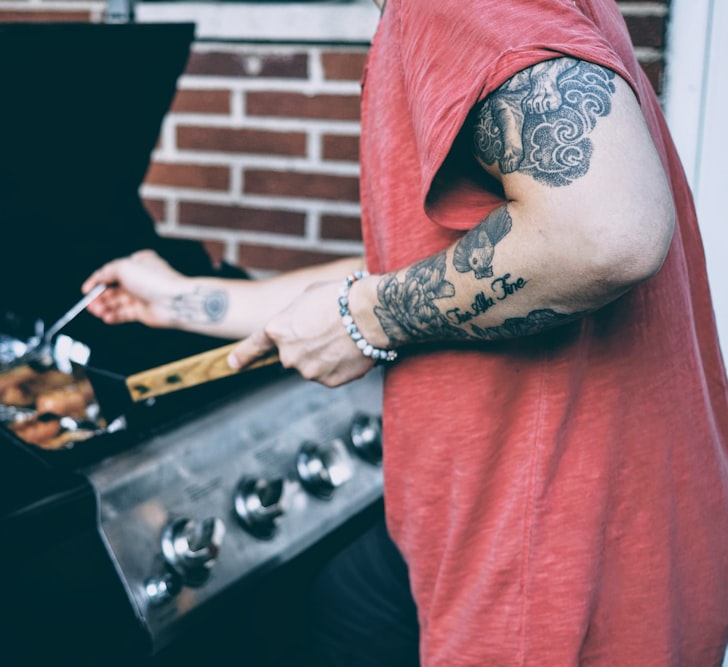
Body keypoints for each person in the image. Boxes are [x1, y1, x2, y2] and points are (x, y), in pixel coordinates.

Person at [81, 0, 728, 663]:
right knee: (350, 598)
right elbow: (467, 254)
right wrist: (190, 300)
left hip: (543, 570)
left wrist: (366, 320)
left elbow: (604, 231)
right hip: (623, 533)